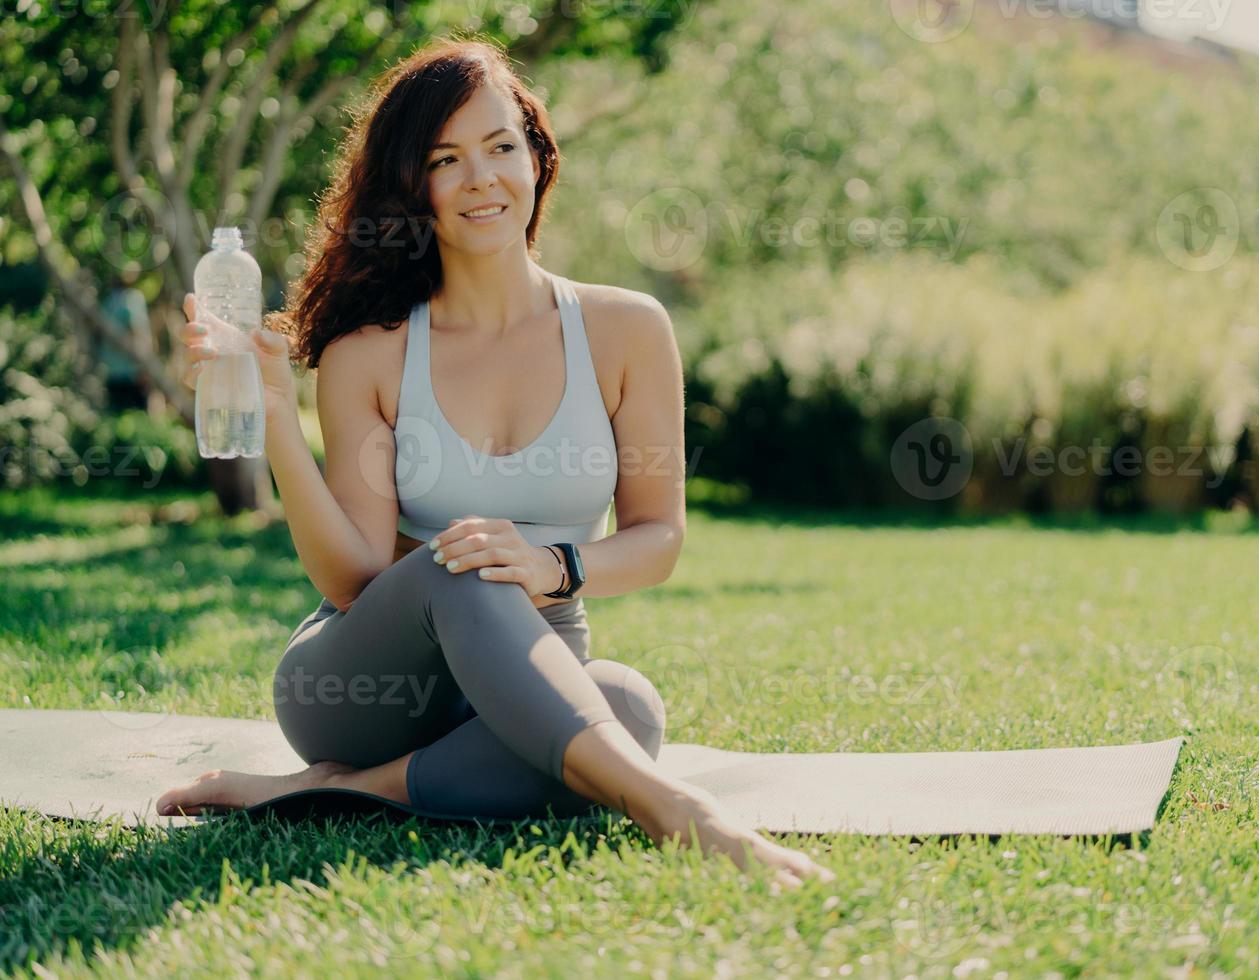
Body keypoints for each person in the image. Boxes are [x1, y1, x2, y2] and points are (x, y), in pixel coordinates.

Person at [156, 37, 834, 890]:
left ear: (538, 160)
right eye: (447, 159)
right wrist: (276, 421)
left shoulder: (627, 330)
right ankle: (682, 814)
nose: (482, 178)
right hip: (370, 686)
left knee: (628, 710)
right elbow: (352, 578)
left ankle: (330, 796)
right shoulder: (371, 352)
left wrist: (554, 565)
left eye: (501, 146)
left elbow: (659, 537)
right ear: (415, 188)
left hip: (536, 665)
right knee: (467, 559)